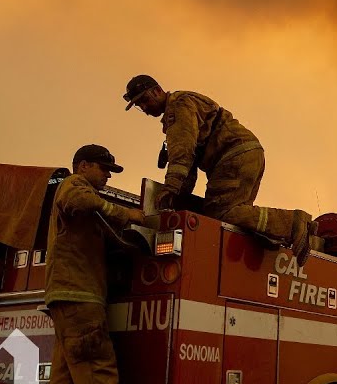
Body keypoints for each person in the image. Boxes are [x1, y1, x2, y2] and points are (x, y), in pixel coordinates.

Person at [39, 145, 157, 384]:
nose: (107, 176)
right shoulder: (74, 185)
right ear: (83, 165)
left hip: (68, 295)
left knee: (66, 376)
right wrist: (127, 214)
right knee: (96, 365)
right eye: (103, 169)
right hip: (78, 294)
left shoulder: (86, 205)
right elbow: (77, 200)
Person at [123, 74, 316, 264]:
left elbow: (183, 152)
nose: (144, 108)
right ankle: (278, 233)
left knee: (220, 212)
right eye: (139, 105)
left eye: (144, 100)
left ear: (157, 91)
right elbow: (190, 163)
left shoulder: (178, 108)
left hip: (232, 158)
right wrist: (180, 196)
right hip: (247, 154)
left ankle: (293, 223)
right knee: (239, 214)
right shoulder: (185, 102)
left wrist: (170, 188)